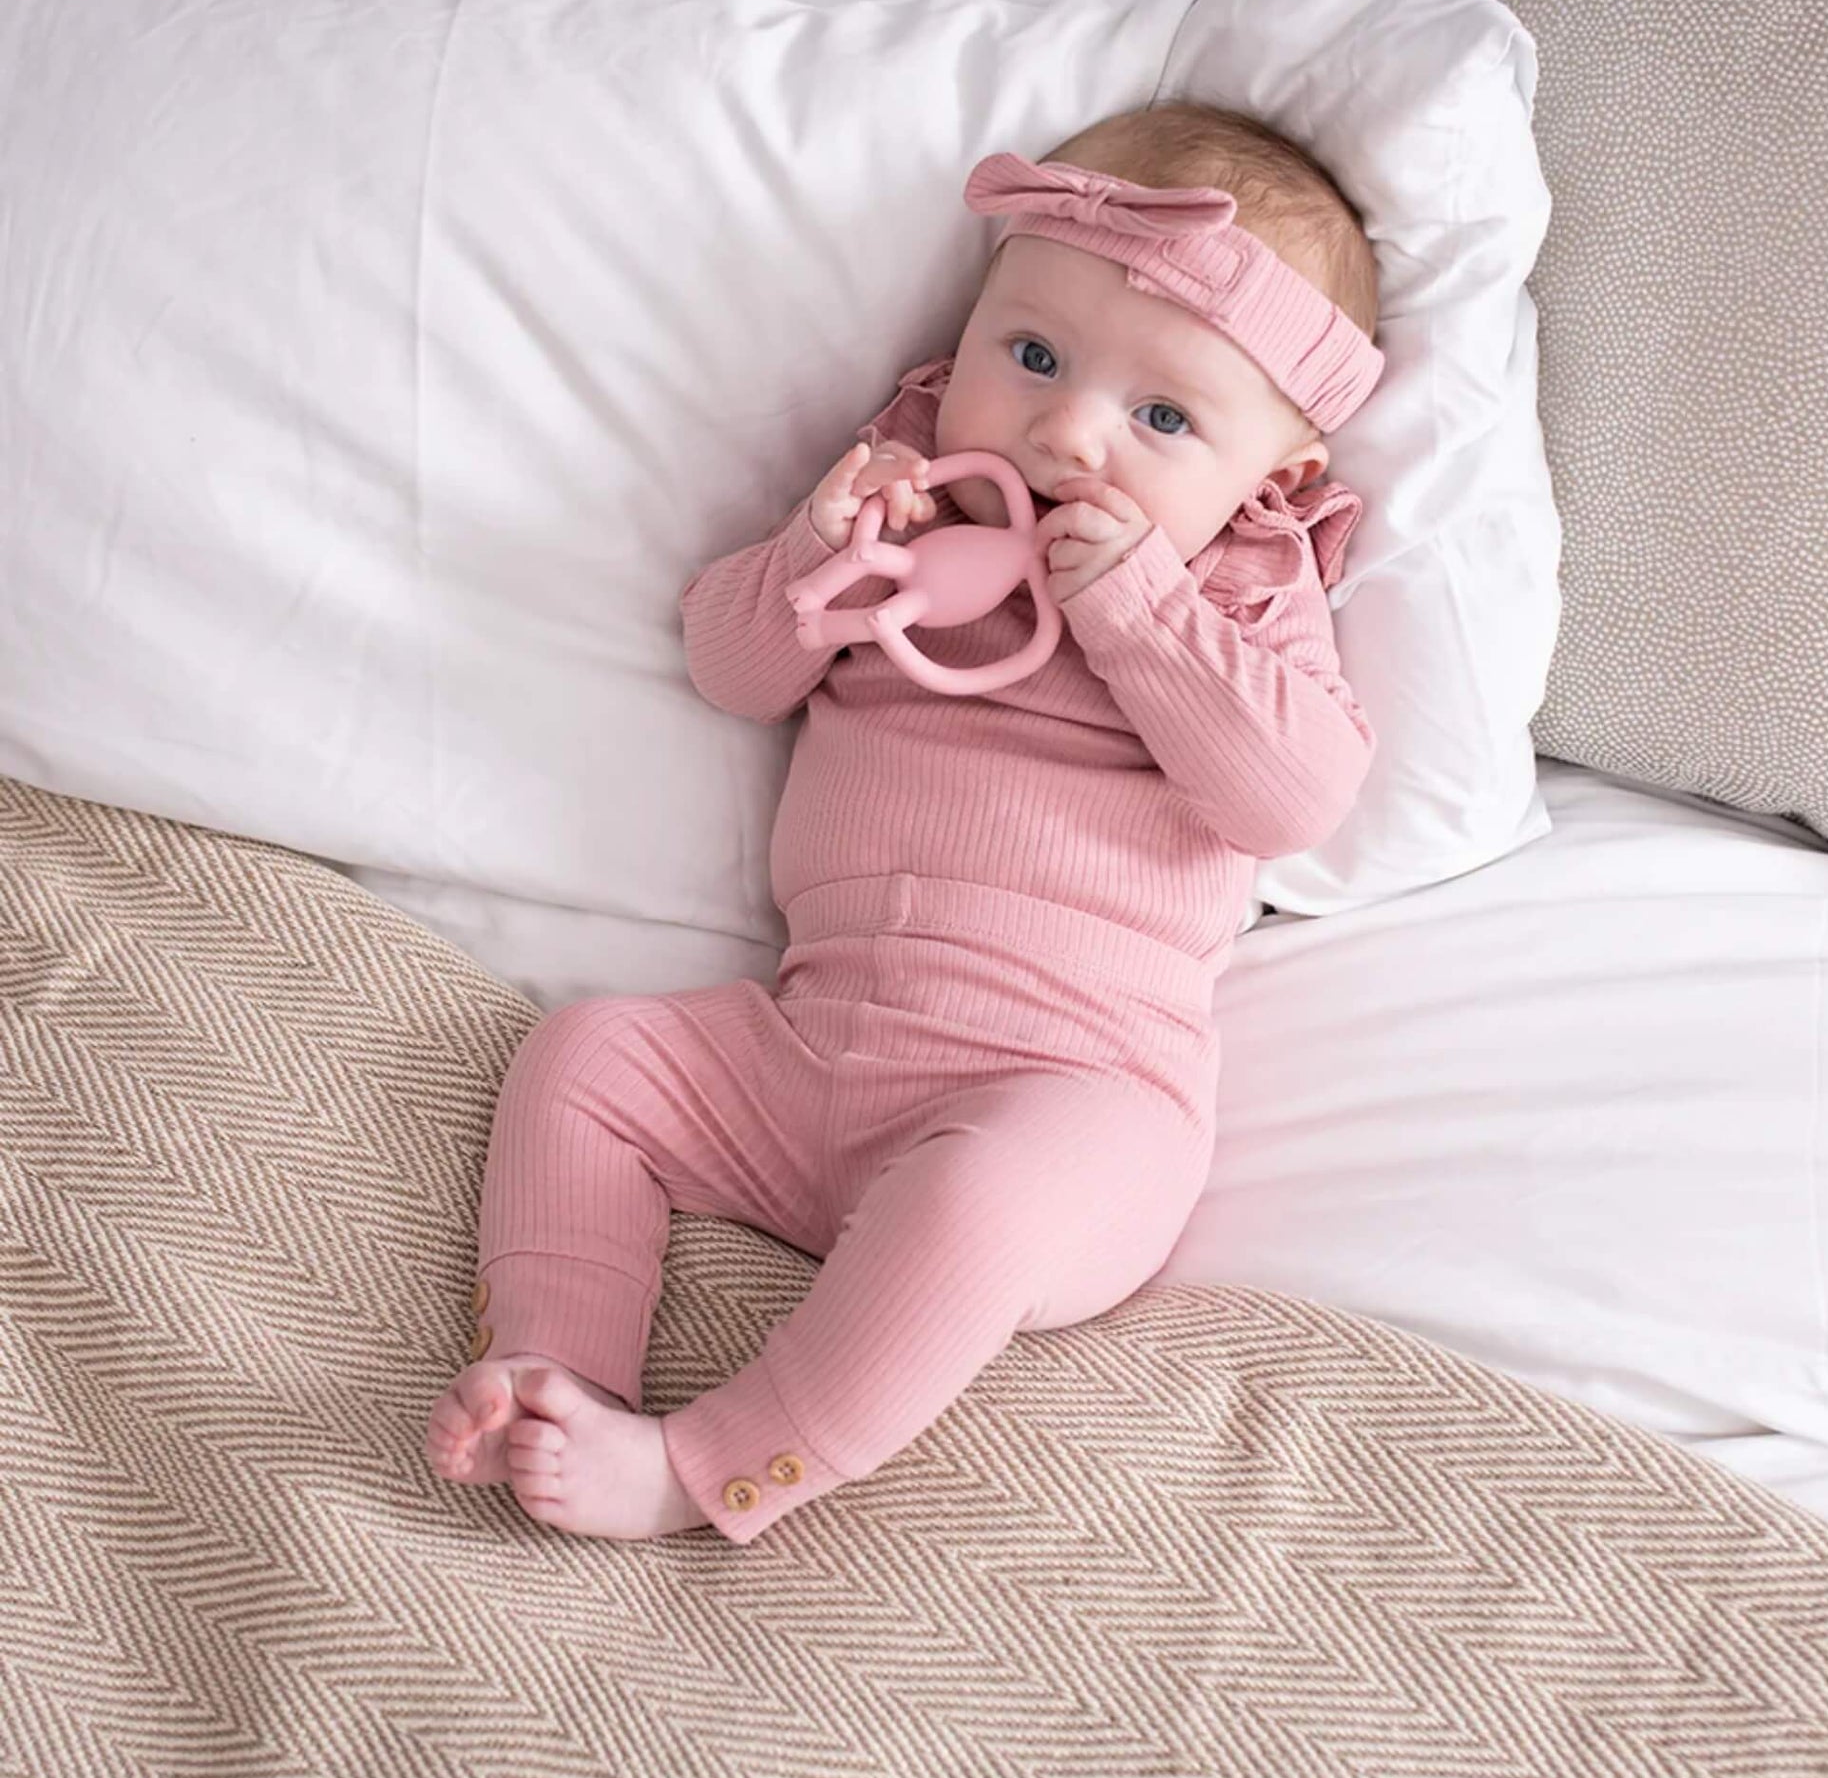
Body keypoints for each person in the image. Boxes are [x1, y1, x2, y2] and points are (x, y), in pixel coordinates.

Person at [425, 99, 1385, 1545]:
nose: (1067, 434)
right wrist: (817, 555)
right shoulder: (916, 492)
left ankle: (701, 1469)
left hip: (1063, 1093)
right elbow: (731, 669)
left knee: (977, 1210)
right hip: (804, 1050)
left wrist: (1137, 609)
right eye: (1034, 356)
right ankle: (555, 1361)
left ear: (1272, 477)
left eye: (1162, 417)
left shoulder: (1242, 587)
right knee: (589, 1056)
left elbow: (1290, 793)